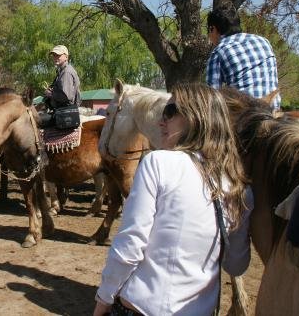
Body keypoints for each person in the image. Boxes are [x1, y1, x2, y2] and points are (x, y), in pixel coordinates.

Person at [94, 83, 253, 316]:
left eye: (169, 112)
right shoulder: (240, 186)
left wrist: (103, 298)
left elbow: (131, 245)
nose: (161, 122)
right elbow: (236, 264)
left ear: (195, 117)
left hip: (143, 307)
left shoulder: (158, 162)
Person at [206, 6, 281, 110]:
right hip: (273, 110)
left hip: (245, 114)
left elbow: (212, 96)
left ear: (212, 28)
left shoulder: (218, 52)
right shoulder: (263, 41)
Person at [41, 45, 82, 126]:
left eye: (58, 55)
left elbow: (66, 96)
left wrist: (50, 94)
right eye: (54, 55)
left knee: (35, 120)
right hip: (63, 111)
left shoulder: (66, 72)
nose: (55, 57)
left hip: (65, 112)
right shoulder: (62, 71)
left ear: (66, 57)